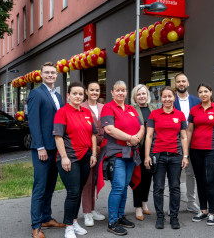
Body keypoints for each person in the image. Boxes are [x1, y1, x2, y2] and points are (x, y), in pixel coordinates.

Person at [97, 81, 145, 236]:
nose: (120, 93)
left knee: (124, 186)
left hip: (130, 153)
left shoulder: (131, 108)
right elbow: (109, 129)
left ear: (126, 93)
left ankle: (120, 216)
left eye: (123, 90)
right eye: (117, 90)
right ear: (112, 92)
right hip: (116, 153)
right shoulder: (108, 107)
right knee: (118, 187)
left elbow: (142, 126)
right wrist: (130, 138)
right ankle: (112, 222)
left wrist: (137, 137)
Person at [53, 82, 98, 238]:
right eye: (75, 93)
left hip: (86, 157)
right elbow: (58, 137)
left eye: (80, 94)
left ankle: (73, 221)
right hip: (69, 158)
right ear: (68, 95)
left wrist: (93, 154)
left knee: (78, 192)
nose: (78, 96)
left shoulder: (86, 112)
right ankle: (69, 227)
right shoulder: (62, 112)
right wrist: (64, 157)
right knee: (73, 192)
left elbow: (93, 134)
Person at [27, 62, 65, 238]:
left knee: (50, 186)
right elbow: (33, 123)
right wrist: (40, 146)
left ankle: (46, 218)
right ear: (41, 75)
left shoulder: (58, 95)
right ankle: (36, 226)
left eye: (53, 73)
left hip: (55, 149)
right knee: (40, 188)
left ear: (56, 75)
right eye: (47, 72)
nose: (50, 75)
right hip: (42, 149)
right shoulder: (36, 93)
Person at [144, 86, 189, 230]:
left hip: (176, 155)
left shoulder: (180, 115)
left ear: (174, 98)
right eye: (164, 96)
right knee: (158, 188)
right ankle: (160, 217)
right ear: (160, 98)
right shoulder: (154, 115)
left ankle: (174, 217)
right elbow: (149, 136)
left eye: (170, 96)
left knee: (175, 187)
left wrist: (185, 156)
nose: (167, 99)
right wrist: (147, 156)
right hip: (159, 155)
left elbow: (183, 136)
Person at [188, 83, 214, 226]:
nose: (203, 94)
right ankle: (203, 210)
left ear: (210, 92)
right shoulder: (194, 110)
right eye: (200, 92)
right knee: (200, 180)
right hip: (195, 150)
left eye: (206, 91)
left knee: (210, 180)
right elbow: (189, 131)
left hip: (212, 149)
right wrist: (186, 151)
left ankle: (212, 212)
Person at [173, 72, 201, 213]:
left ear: (188, 83)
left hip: (193, 142)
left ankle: (191, 202)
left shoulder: (197, 101)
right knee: (174, 174)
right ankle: (175, 204)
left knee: (191, 174)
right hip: (174, 142)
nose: (181, 84)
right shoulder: (170, 101)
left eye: (183, 81)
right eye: (178, 81)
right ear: (175, 84)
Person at [80, 82, 106, 226]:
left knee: (96, 179)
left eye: (97, 90)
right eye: (92, 90)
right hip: (88, 148)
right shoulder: (82, 107)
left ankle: (93, 208)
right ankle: (86, 212)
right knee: (87, 180)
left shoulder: (103, 107)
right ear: (86, 91)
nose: (94, 92)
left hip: (102, 148)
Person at [130, 84, 157, 221]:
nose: (141, 96)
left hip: (152, 148)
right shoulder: (131, 109)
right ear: (135, 96)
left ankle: (145, 202)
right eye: (139, 94)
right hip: (137, 149)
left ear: (148, 95)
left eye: (144, 94)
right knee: (137, 178)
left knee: (147, 177)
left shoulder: (154, 108)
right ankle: (138, 206)